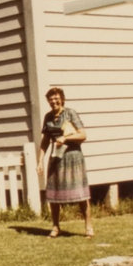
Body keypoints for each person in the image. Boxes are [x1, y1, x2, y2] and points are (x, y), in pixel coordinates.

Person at [36, 87, 93, 238]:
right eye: (51, 99)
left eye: (56, 98)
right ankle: (55, 227)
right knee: (53, 193)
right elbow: (45, 141)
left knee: (80, 193)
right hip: (56, 157)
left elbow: (83, 135)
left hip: (73, 157)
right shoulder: (48, 117)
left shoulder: (70, 113)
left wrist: (66, 138)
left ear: (62, 99)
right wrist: (40, 161)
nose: (53, 101)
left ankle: (88, 227)